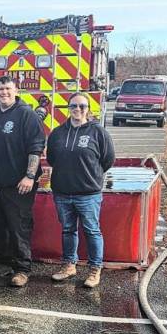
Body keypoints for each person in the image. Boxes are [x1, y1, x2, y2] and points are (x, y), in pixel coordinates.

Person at [0, 75, 46, 287]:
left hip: (20, 185)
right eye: (0, 89)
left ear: (16, 91)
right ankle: (3, 262)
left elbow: (35, 148)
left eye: (8, 89)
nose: (4, 93)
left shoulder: (26, 115)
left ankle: (22, 268)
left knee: (19, 226)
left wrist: (29, 176)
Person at [47, 92, 115, 288]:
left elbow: (107, 159)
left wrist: (90, 175)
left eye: (82, 106)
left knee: (92, 230)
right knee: (68, 230)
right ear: (68, 109)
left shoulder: (98, 132)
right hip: (62, 192)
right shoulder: (57, 133)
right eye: (73, 106)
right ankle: (69, 265)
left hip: (88, 194)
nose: (77, 110)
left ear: (88, 109)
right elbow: (52, 158)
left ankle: (95, 269)